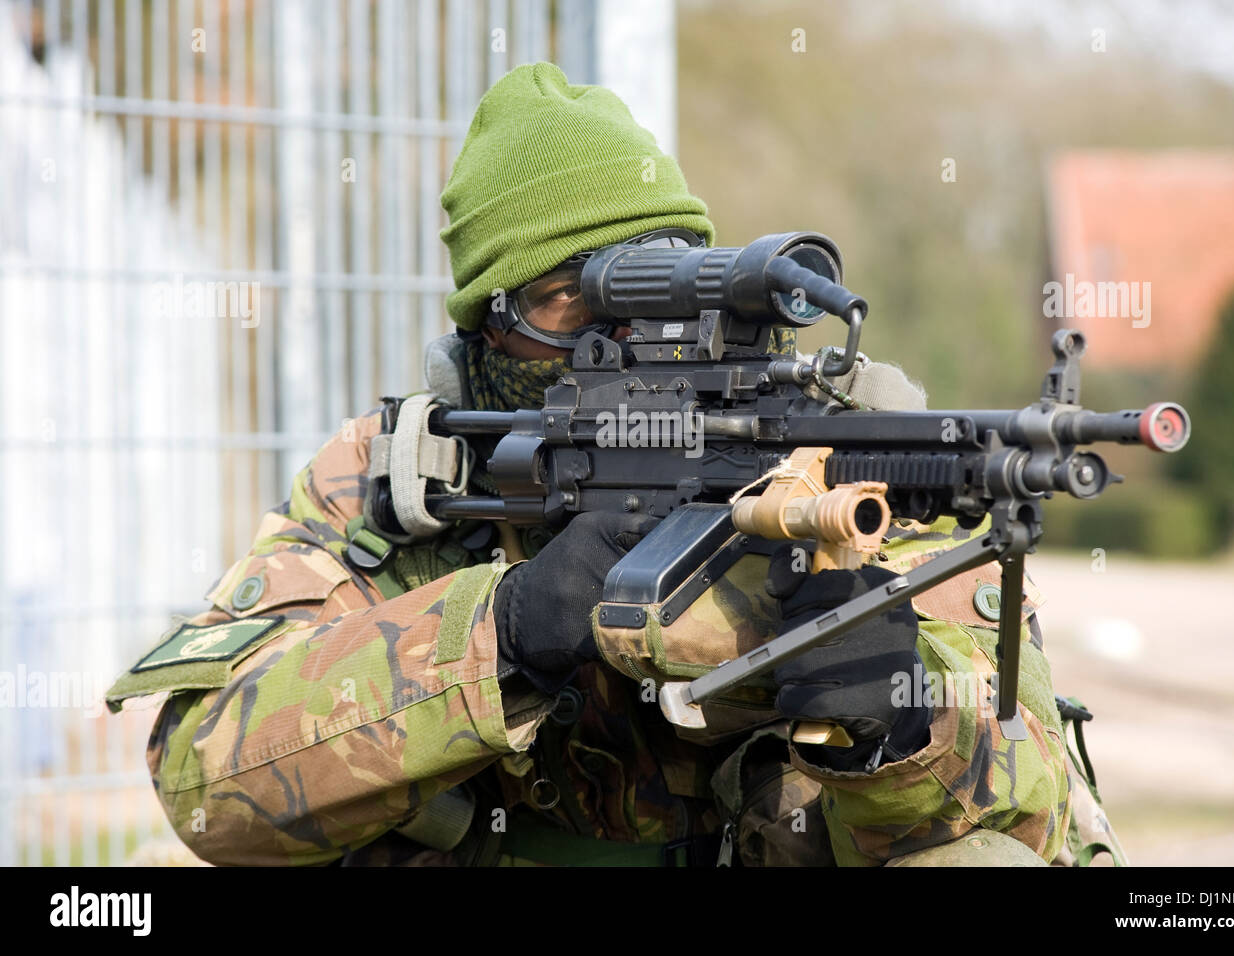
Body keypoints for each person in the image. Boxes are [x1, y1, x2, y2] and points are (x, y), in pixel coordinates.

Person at [107, 62, 1123, 867]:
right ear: (489, 331)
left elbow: (1034, 814)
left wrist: (897, 726)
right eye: (568, 302)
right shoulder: (400, 472)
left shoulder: (842, 448)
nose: (634, 337)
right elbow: (205, 778)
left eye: (663, 292)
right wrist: (499, 634)